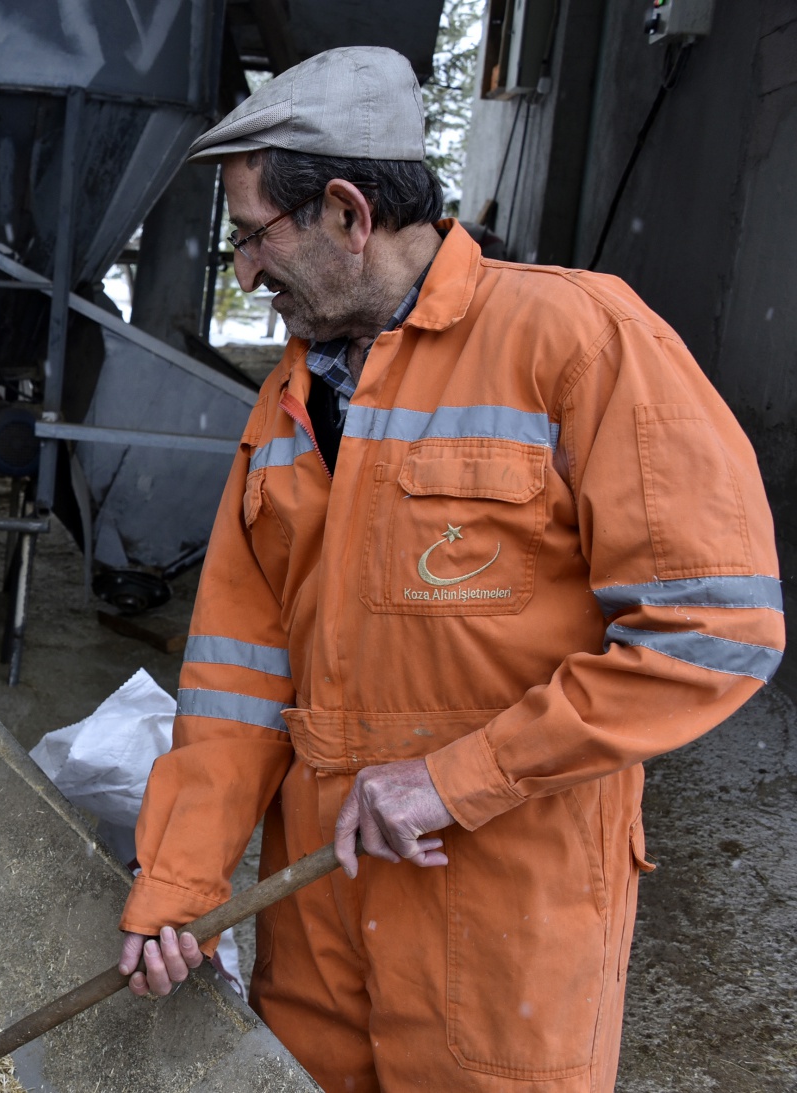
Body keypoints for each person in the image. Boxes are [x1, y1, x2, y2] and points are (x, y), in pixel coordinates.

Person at [114, 45, 782, 1093]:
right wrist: (179, 881)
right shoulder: (287, 403)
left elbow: (712, 628)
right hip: (317, 911)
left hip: (503, 912)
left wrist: (453, 780)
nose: (241, 273)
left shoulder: (579, 339)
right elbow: (237, 677)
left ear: (346, 210)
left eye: (249, 238)